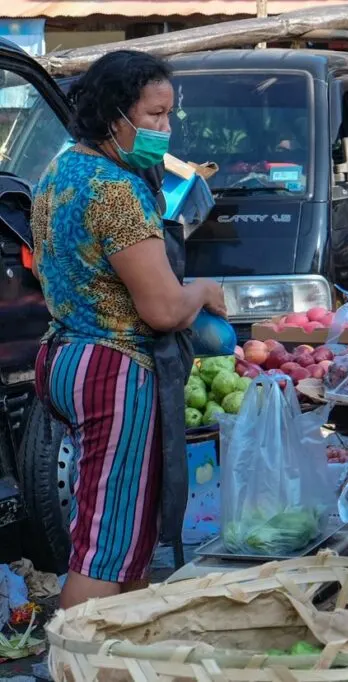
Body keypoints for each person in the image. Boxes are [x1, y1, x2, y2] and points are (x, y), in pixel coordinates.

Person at [30, 50, 226, 608]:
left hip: (66, 356)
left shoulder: (62, 168)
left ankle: (128, 659)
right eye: (153, 116)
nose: (165, 129)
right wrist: (204, 293)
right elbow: (163, 309)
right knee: (103, 548)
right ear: (114, 114)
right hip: (114, 369)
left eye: (169, 116)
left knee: (128, 537)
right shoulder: (113, 190)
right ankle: (74, 665)